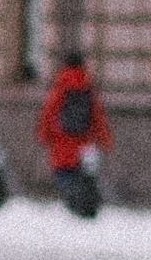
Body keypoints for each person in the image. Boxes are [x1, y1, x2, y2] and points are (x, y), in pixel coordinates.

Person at [35, 48, 112, 214]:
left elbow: (48, 112)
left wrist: (43, 135)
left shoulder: (60, 85)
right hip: (83, 142)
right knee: (80, 176)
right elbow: (97, 116)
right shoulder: (88, 87)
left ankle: (74, 203)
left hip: (61, 141)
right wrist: (104, 139)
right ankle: (83, 204)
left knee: (62, 176)